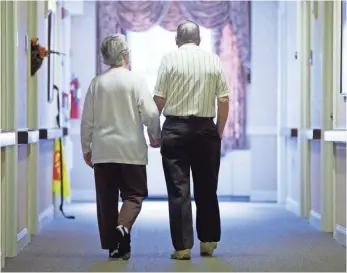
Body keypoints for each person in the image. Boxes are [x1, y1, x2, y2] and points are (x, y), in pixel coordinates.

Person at [153, 21, 230, 260]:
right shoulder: (213, 60)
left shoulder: (169, 59)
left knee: (178, 190)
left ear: (177, 40)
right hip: (206, 129)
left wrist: (155, 132)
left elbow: (158, 100)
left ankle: (183, 247)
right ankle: (208, 242)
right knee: (207, 187)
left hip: (175, 129)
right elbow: (224, 100)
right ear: (199, 40)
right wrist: (218, 131)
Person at [80, 34, 161, 260]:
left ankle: (115, 247)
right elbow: (151, 113)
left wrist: (86, 148)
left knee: (106, 200)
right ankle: (123, 226)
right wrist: (155, 136)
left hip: (104, 151)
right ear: (126, 55)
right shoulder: (136, 81)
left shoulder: (97, 83)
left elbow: (87, 120)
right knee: (135, 195)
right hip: (131, 151)